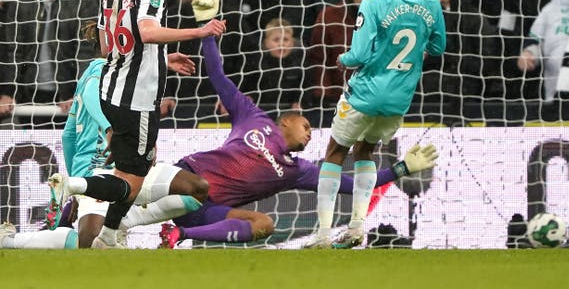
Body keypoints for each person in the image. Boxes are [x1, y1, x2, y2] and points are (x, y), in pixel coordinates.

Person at [140, 30, 438, 247]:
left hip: (203, 211)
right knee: (127, 196)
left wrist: (401, 169)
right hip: (185, 178)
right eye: (306, 126)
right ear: (287, 120)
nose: (309, 135)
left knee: (264, 225)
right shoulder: (251, 116)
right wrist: (207, 31)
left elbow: (351, 185)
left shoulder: (299, 170)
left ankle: (178, 235)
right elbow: (218, 77)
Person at [46, 0, 226, 249]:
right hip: (138, 100)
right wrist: (199, 32)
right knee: (130, 184)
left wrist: (163, 59)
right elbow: (146, 32)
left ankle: (109, 236)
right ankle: (73, 187)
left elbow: (106, 46)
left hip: (111, 91)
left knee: (129, 176)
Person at [305, 0, 447, 248]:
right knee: (365, 151)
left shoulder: (373, 2)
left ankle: (324, 234)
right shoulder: (430, 1)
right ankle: (357, 228)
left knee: (335, 153)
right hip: (399, 98)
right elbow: (438, 48)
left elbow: (357, 55)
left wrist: (341, 59)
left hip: (366, 93)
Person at [0, 0, 99, 128]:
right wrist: (8, 92)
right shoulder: (20, 0)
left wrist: (78, 91)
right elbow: (12, 50)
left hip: (67, 94)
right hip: (28, 92)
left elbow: (85, 52)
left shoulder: (85, 0)